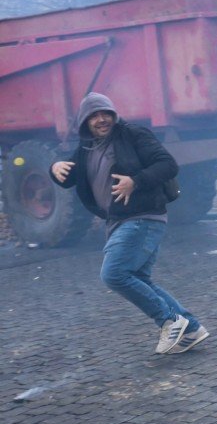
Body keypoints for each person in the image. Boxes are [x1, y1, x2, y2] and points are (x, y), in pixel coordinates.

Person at [49, 92, 208, 355]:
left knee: (114, 274)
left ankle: (169, 321)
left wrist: (135, 181)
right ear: (85, 122)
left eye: (106, 113)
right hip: (118, 220)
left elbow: (168, 165)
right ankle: (191, 329)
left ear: (114, 114)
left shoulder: (132, 134)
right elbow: (68, 177)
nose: (102, 119)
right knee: (139, 278)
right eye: (94, 116)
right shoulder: (87, 148)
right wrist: (54, 168)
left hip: (143, 216)